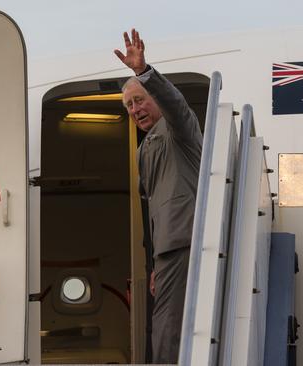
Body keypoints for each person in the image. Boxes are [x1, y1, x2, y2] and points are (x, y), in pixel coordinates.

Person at [115, 28, 202, 363]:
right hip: (167, 249)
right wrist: (153, 265)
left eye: (139, 100)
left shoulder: (179, 130)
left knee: (168, 329)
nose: (135, 110)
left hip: (185, 240)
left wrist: (143, 73)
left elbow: (175, 104)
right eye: (129, 106)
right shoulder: (144, 148)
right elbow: (152, 211)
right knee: (162, 326)